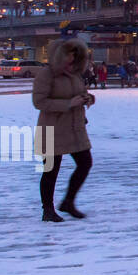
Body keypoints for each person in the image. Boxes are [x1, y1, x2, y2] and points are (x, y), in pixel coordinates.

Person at [33, 38, 96, 222]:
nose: (72, 58)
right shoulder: (47, 75)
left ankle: (68, 201)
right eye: (69, 54)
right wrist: (68, 104)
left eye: (75, 54)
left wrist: (87, 98)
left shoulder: (75, 74)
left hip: (75, 127)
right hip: (51, 128)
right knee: (50, 170)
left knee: (85, 163)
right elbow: (39, 102)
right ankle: (48, 210)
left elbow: (78, 93)